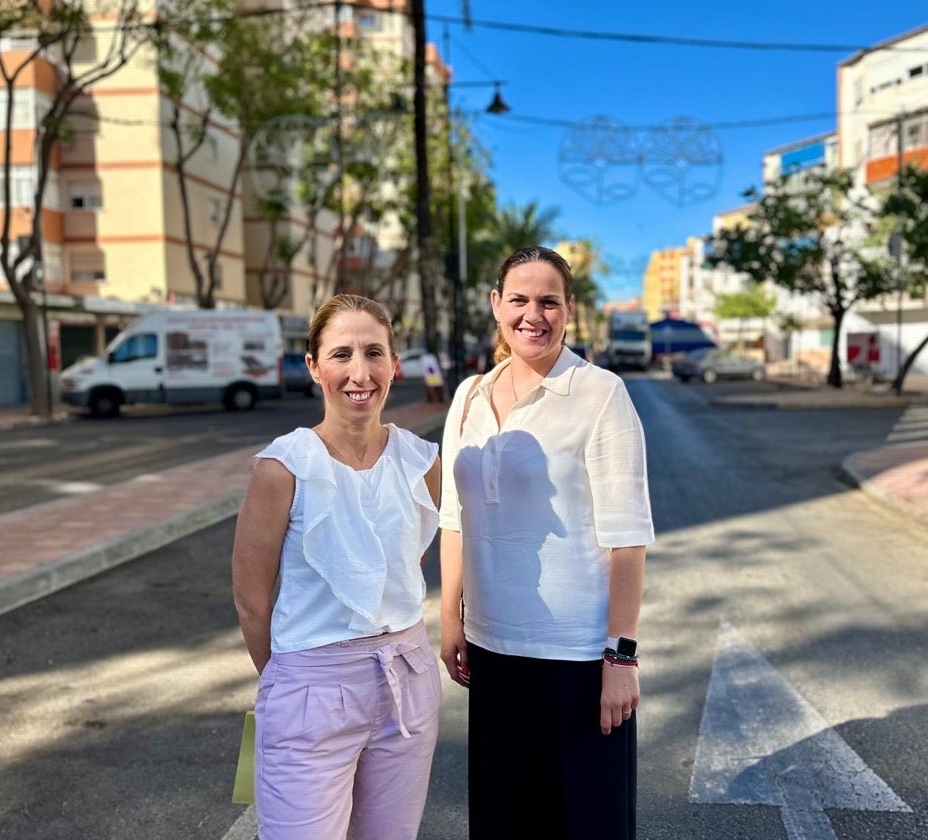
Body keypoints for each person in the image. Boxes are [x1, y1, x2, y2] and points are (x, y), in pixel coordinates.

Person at [438, 247, 654, 840]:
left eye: (548, 301)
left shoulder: (600, 392)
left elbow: (627, 538)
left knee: (585, 822)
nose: (533, 315)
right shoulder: (468, 396)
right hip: (491, 650)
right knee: (503, 818)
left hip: (577, 658)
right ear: (495, 305)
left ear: (568, 310)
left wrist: (621, 657)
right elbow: (454, 516)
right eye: (519, 299)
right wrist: (450, 619)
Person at [232, 294, 443, 840]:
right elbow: (252, 601)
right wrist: (296, 684)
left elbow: (399, 566)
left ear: (394, 364)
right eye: (341, 354)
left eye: (374, 353)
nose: (359, 372)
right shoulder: (283, 468)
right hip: (310, 689)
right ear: (313, 367)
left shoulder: (423, 463)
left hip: (408, 677)